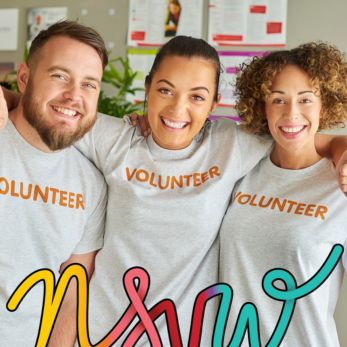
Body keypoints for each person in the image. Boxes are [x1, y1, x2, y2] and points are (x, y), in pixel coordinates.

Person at [2, 36, 347, 346]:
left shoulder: (231, 145)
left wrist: (341, 147)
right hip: (102, 334)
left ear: (213, 105)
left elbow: (295, 133)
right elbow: (54, 111)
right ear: (147, 89)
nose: (178, 109)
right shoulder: (116, 140)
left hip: (186, 335)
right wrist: (6, 95)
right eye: (165, 90)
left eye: (197, 96)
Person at [219, 42, 347, 346]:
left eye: (305, 100)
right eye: (278, 100)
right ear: (262, 106)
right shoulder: (240, 169)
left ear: (324, 106)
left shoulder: (341, 185)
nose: (292, 114)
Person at [0, 20, 108, 346]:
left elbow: (71, 296)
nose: (74, 95)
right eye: (60, 76)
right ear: (24, 78)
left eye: (89, 84)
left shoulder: (91, 184)